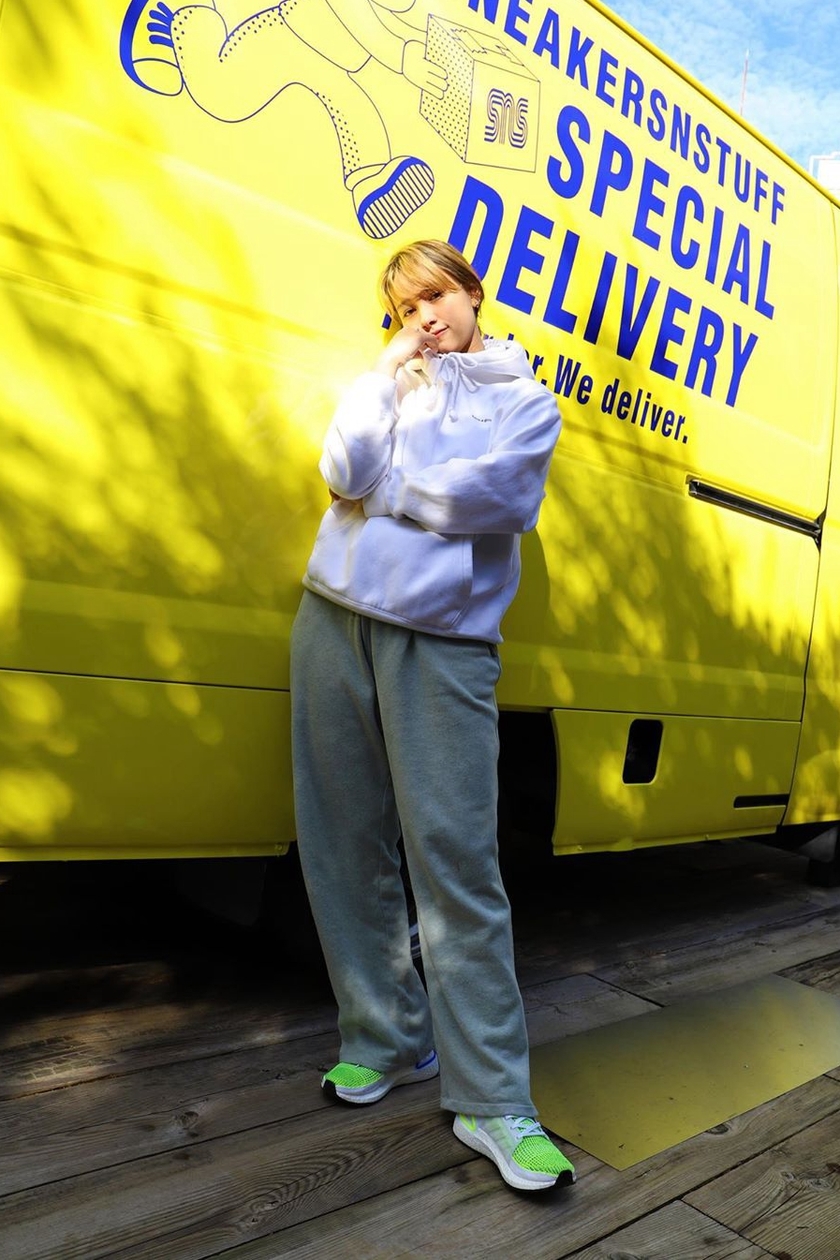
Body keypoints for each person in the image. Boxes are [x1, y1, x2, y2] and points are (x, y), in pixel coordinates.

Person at [290, 239, 575, 1192]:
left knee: (455, 861)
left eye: (437, 296)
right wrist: (382, 377)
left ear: (472, 293)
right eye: (406, 306)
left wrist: (385, 495)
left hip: (444, 640)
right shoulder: (393, 385)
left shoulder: (525, 402)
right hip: (332, 618)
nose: (424, 317)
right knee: (341, 840)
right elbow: (342, 467)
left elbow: (496, 500)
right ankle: (386, 1037)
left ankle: (494, 1099)